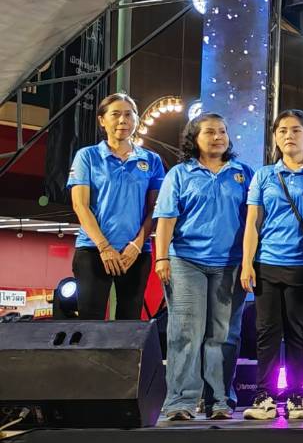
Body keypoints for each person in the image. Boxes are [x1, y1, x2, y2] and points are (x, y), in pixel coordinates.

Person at [153, 113, 252, 422]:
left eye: (222, 131)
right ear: (194, 138)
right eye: (209, 132)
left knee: (224, 335)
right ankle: (179, 401)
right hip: (186, 261)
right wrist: (161, 258)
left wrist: (250, 261)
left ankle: (219, 400)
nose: (218, 137)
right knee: (186, 333)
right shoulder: (180, 174)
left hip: (231, 264)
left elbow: (253, 221)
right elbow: (165, 219)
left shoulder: (243, 173)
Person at [240, 109, 303, 422]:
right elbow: (253, 223)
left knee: (300, 333)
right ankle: (264, 395)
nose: (289, 136)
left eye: (296, 130)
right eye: (283, 131)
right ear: (275, 137)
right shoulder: (264, 175)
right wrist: (247, 263)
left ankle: (297, 395)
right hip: (267, 263)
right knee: (267, 333)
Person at [67, 92, 164, 321]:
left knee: (129, 323)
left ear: (136, 120)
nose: (123, 120)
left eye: (129, 115)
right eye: (116, 114)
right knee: (90, 323)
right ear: (102, 120)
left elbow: (156, 209)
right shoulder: (87, 156)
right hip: (93, 251)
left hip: (136, 254)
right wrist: (104, 247)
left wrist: (137, 245)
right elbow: (80, 205)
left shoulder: (152, 160)